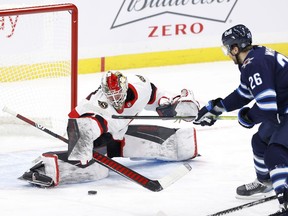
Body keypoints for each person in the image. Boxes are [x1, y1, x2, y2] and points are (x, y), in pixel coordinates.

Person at [19, 71, 199, 187]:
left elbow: (154, 95)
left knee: (173, 143)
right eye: (110, 95)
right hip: (86, 131)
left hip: (118, 133)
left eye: (118, 93)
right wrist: (87, 138)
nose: (115, 99)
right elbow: (83, 123)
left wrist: (166, 102)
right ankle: (46, 168)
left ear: (125, 86)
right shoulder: (98, 104)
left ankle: (181, 145)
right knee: (96, 170)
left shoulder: (140, 85)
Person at [193, 24, 288, 215]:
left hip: (283, 111)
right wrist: (218, 108)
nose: (227, 54)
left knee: (275, 153)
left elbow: (267, 107)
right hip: (283, 110)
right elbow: (244, 94)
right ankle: (266, 181)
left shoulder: (254, 64)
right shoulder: (256, 57)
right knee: (260, 142)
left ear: (235, 48)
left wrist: (248, 117)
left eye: (227, 49)